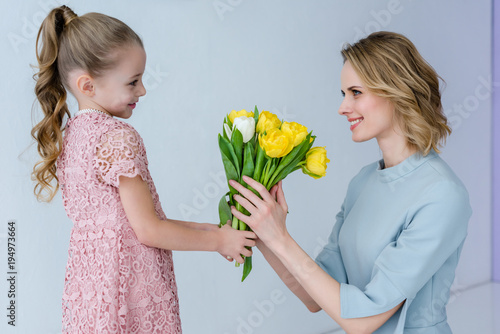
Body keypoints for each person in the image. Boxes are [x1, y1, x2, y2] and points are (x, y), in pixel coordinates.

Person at [31, 6, 256, 333]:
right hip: (129, 288)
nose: (143, 90)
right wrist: (219, 243)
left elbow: (129, 221)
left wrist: (212, 231)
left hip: (92, 291)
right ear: (88, 85)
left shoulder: (72, 137)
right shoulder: (116, 137)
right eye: (133, 82)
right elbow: (148, 230)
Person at [230, 31, 471, 333]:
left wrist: (280, 238)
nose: (343, 107)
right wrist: (263, 232)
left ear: (396, 91)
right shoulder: (363, 181)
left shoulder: (442, 195)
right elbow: (315, 295)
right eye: (343, 94)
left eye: (356, 92)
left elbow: (364, 319)